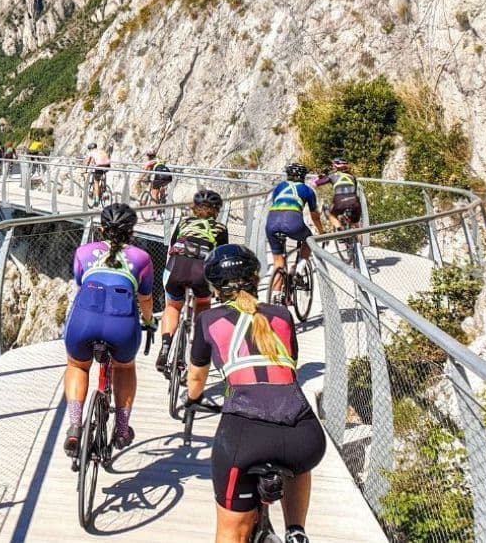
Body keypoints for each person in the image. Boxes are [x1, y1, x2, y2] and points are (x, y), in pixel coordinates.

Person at [187, 245, 326, 543]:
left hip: (245, 436)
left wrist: (193, 399)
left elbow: (196, 378)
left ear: (215, 288)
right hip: (304, 434)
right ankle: (296, 531)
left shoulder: (207, 320)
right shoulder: (282, 315)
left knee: (231, 531)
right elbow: (290, 367)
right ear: (255, 279)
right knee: (297, 462)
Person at [62, 204, 156, 456]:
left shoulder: (83, 252)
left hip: (85, 318)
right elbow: (146, 299)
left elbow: (80, 284)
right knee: (125, 367)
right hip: (121, 324)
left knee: (78, 366)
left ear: (102, 229)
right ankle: (122, 429)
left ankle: (75, 426)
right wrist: (149, 322)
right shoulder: (142, 258)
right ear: (131, 231)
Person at [156, 189, 229, 371]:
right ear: (216, 210)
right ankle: (197, 342)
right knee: (202, 304)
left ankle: (165, 347)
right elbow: (221, 258)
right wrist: (221, 288)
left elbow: (172, 247)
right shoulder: (220, 229)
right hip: (201, 272)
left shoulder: (183, 222)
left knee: (173, 307)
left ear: (194, 208)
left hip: (177, 266)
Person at [265, 163, 325, 289]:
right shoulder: (308, 190)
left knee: (278, 263)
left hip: (271, 222)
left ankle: (275, 295)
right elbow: (315, 216)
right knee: (309, 239)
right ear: (303, 176)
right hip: (293, 222)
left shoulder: (279, 187)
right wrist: (321, 231)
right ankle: (299, 269)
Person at [313, 158, 361, 231]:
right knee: (355, 223)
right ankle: (361, 236)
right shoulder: (352, 177)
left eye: (333, 166)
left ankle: (339, 228)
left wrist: (319, 177)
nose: (332, 167)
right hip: (354, 200)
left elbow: (315, 184)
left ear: (335, 167)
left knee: (330, 213)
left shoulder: (332, 175)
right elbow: (355, 190)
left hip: (339, 200)